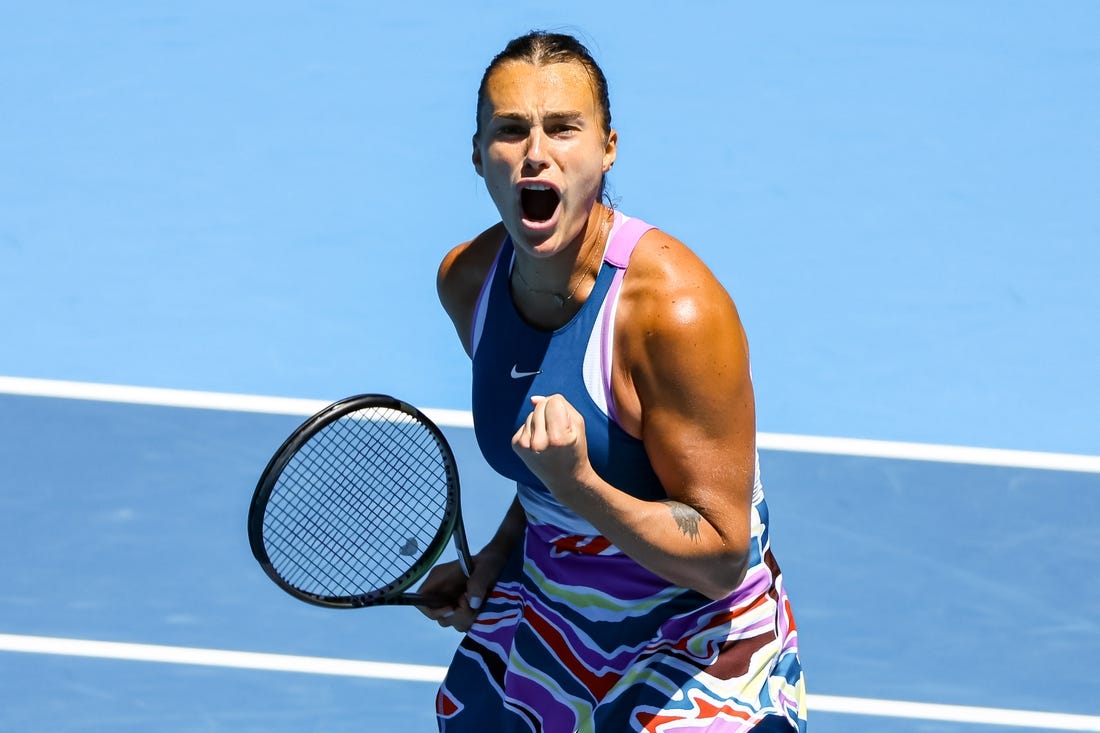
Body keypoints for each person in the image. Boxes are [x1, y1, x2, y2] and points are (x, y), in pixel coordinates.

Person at [419, 30, 807, 732]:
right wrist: (498, 559)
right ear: (479, 156)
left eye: (564, 128)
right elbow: (545, 468)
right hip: (555, 618)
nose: (536, 152)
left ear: (607, 150)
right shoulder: (468, 284)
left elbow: (721, 553)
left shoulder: (673, 312)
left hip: (700, 640)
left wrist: (582, 487)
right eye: (510, 130)